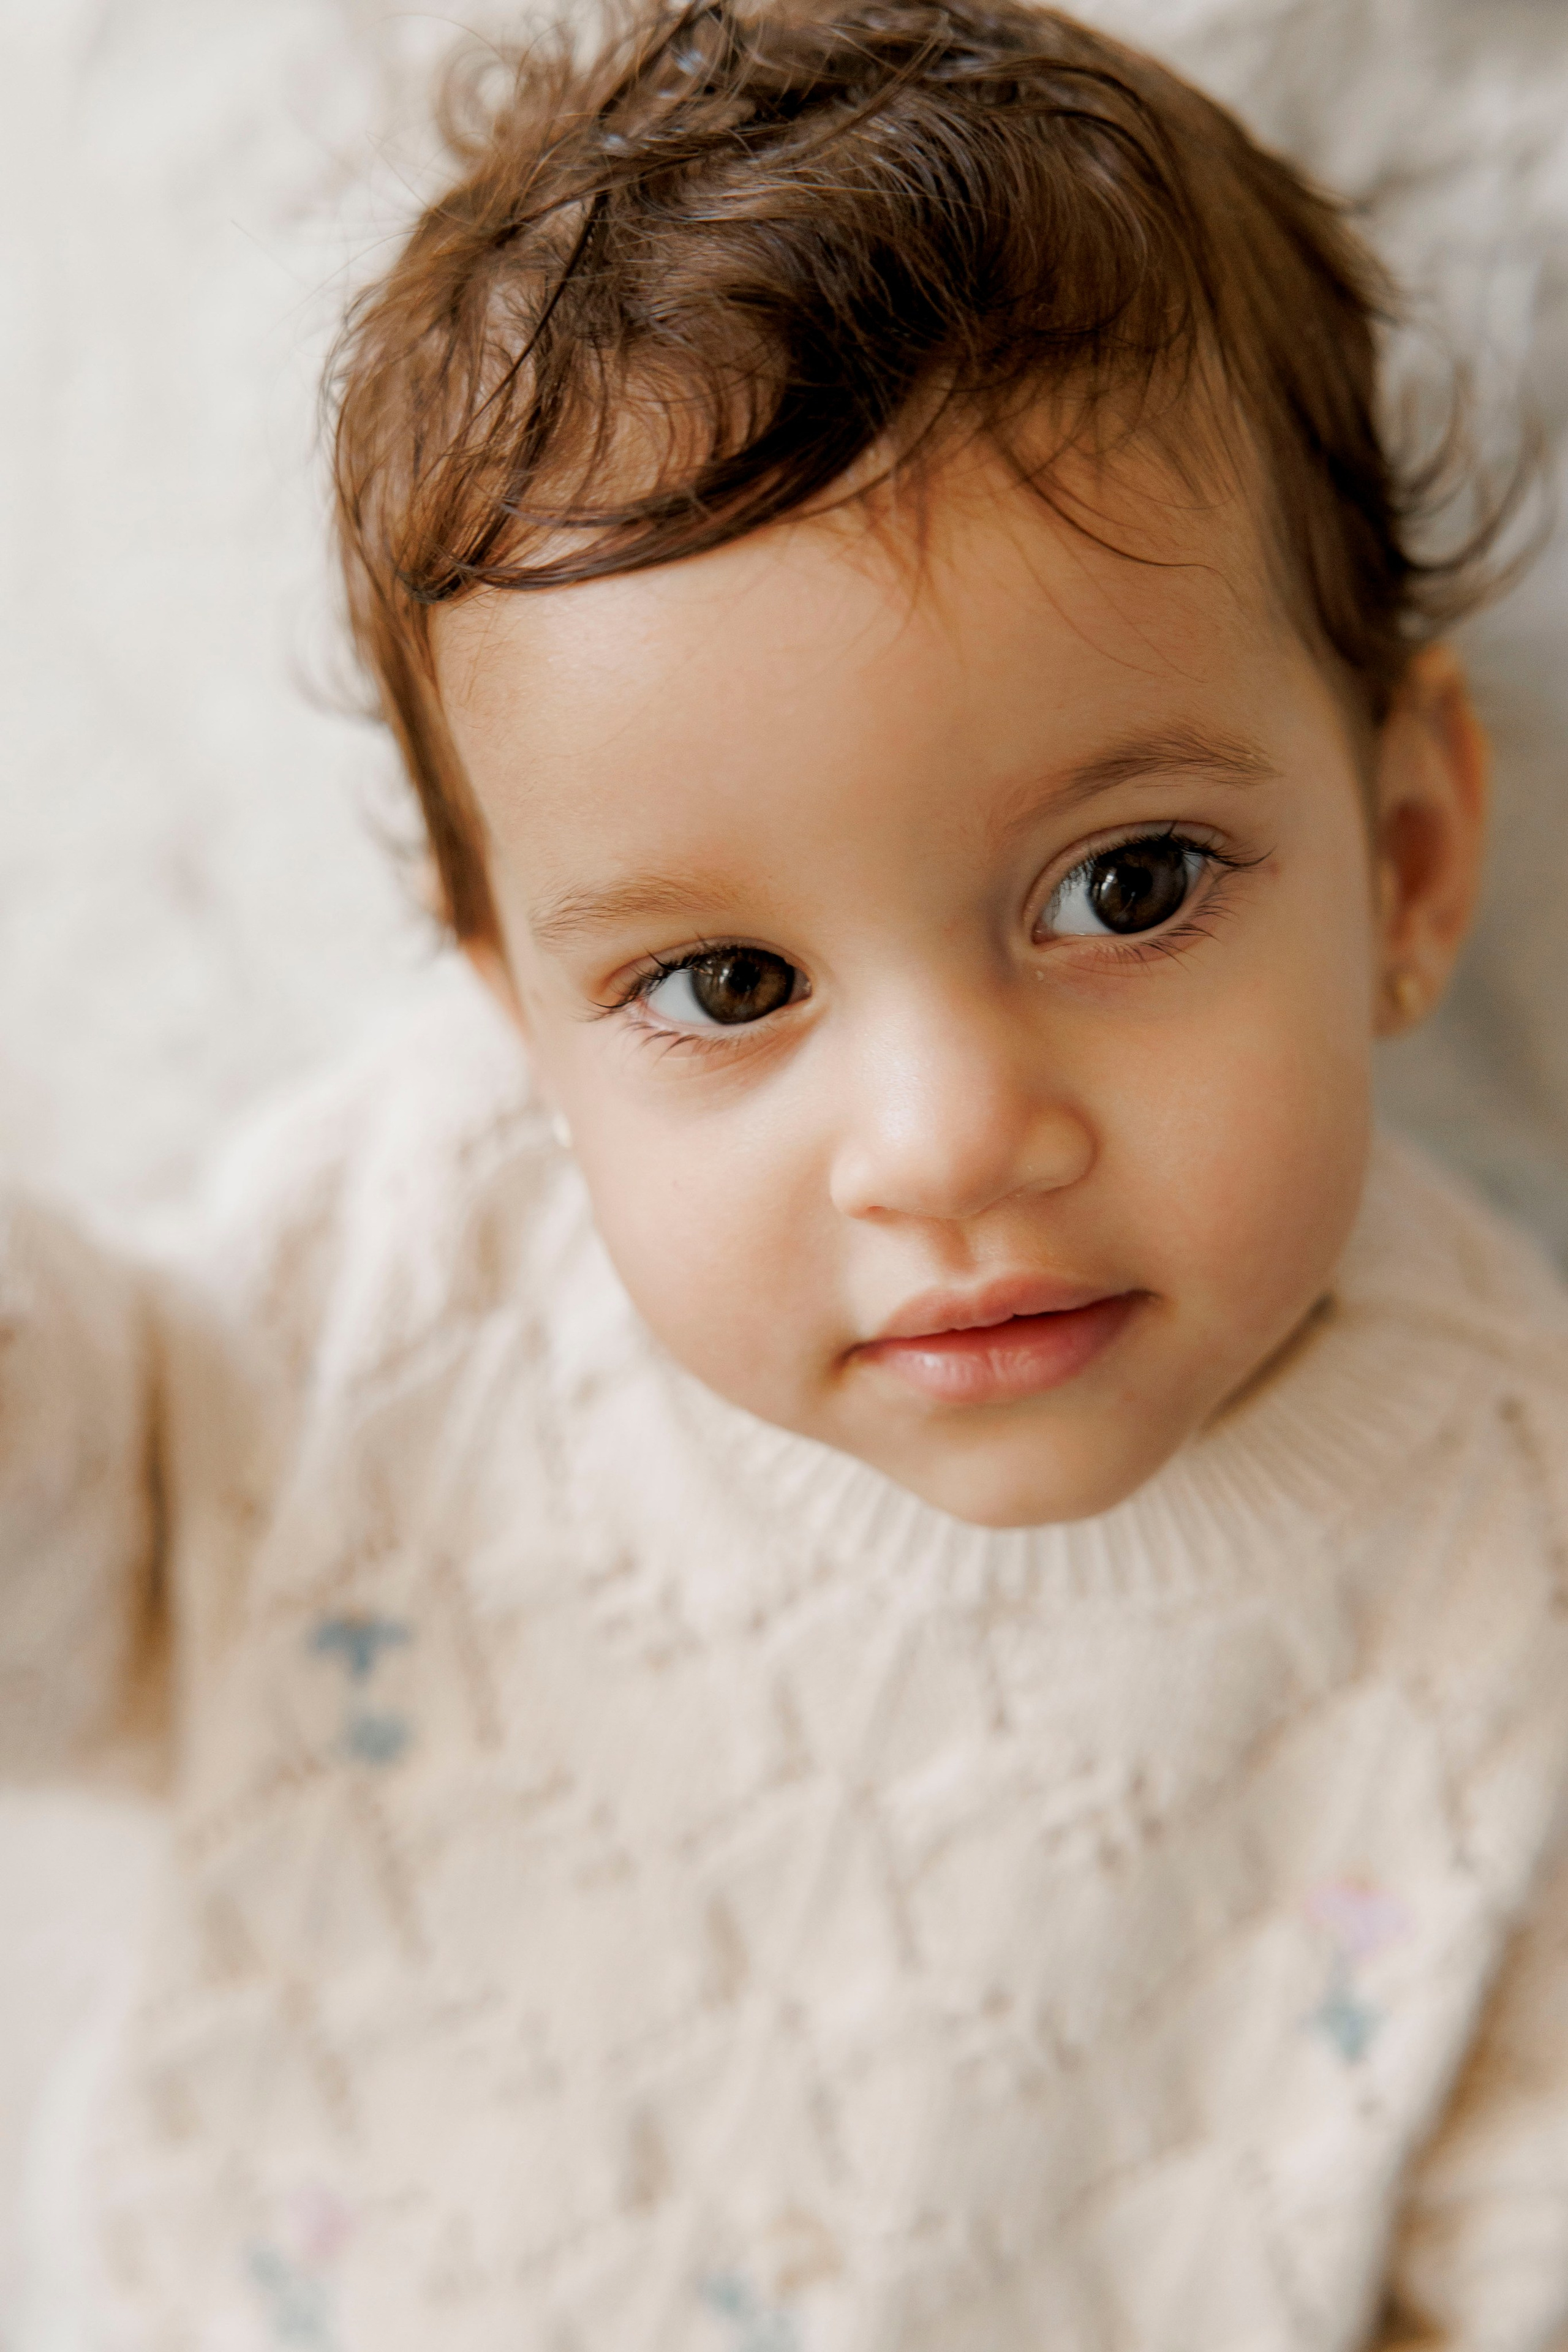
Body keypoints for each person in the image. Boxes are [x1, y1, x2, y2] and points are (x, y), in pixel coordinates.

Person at [6, 0, 1567, 2343]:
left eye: (1127, 887)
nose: (948, 1144)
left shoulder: (1514, 1557)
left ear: (1416, 854)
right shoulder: (433, 1230)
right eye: (729, 988)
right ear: (517, 1018)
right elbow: (88, 1594)